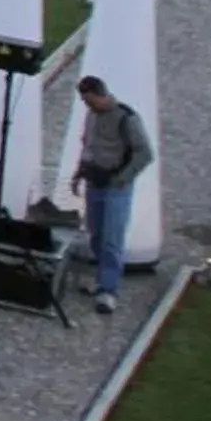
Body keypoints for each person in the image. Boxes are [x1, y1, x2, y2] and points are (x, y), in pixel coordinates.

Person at [71, 75, 156, 314]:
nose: (88, 106)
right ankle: (100, 278)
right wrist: (79, 174)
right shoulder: (91, 117)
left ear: (101, 94)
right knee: (96, 234)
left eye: (90, 101)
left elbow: (145, 153)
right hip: (94, 182)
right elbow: (88, 146)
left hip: (115, 186)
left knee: (111, 238)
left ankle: (108, 290)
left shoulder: (126, 119)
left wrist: (122, 179)